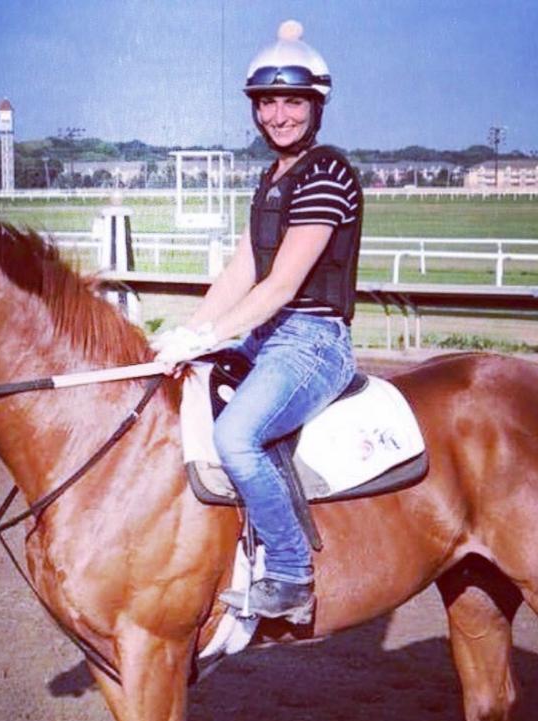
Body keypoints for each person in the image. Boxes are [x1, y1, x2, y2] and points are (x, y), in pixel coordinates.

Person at [150, 19, 363, 623]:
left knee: (236, 438)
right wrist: (189, 333)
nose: (278, 115)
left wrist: (210, 335)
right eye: (267, 102)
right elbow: (242, 270)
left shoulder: (326, 174)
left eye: (292, 101)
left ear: (316, 106)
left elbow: (282, 285)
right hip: (268, 337)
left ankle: (292, 574)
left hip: (314, 343)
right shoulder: (271, 180)